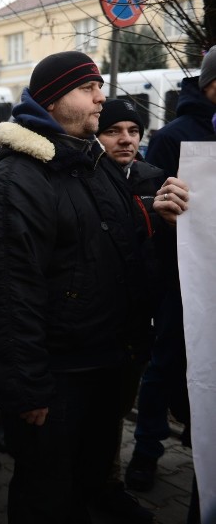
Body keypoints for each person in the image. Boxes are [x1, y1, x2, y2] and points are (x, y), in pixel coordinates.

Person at [0, 51, 154, 523]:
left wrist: (157, 214)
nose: (101, 97)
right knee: (47, 497)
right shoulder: (16, 183)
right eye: (87, 88)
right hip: (56, 381)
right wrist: (26, 388)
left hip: (102, 364)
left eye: (99, 85)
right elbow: (9, 295)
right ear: (53, 101)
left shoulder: (91, 162)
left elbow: (109, 238)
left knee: (87, 484)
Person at [92, 99, 189, 523]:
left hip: (141, 319)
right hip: (96, 320)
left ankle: (108, 483)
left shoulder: (154, 179)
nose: (126, 139)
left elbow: (171, 255)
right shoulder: (86, 178)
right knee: (92, 413)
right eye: (114, 130)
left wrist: (173, 225)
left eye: (134, 130)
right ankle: (91, 486)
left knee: (117, 407)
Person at [126, 49, 214, 497]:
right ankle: (146, 451)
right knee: (166, 363)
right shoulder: (176, 136)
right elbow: (152, 209)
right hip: (183, 279)